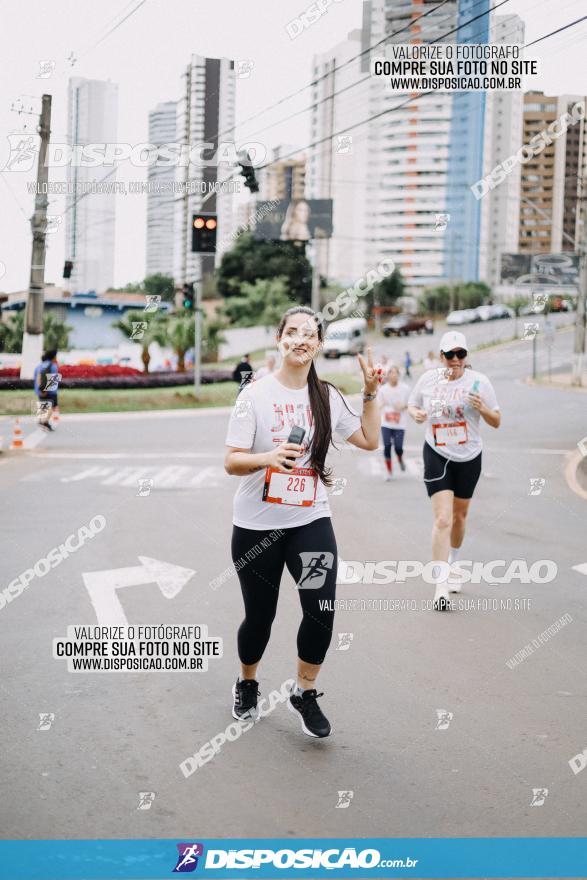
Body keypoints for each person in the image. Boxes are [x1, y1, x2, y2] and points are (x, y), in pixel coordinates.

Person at [224, 306, 382, 737]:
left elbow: (369, 440)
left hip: (310, 519)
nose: (299, 339)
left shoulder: (327, 397)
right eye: (291, 332)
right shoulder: (254, 396)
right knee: (260, 616)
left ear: (318, 344)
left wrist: (369, 393)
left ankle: (304, 691)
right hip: (257, 526)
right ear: (279, 339)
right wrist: (267, 458)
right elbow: (231, 461)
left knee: (321, 609)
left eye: (308, 334)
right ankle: (247, 681)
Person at [407, 331, 501, 611]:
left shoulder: (479, 382)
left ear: (466, 356)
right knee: (443, 519)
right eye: (450, 355)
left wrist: (482, 408)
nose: (455, 360)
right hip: (436, 452)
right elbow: (412, 405)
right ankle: (440, 584)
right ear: (441, 357)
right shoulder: (428, 380)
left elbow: (496, 420)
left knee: (460, 516)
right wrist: (416, 414)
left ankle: (454, 561)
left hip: (469, 455)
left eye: (461, 354)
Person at [377, 365, 410, 480]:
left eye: (396, 373)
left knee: (398, 448)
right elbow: (378, 405)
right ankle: (389, 471)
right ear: (388, 375)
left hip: (400, 423)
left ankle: (400, 458)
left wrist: (404, 406)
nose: (393, 375)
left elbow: (411, 404)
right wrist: (382, 404)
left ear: (399, 376)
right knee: (387, 446)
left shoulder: (405, 388)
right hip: (386, 422)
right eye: (391, 373)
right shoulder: (383, 389)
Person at [33, 349, 60, 431]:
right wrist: (47, 391)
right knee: (52, 408)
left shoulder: (39, 366)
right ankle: (43, 421)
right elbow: (53, 382)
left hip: (40, 390)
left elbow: (36, 378)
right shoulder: (53, 366)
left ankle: (44, 421)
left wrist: (40, 390)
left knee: (45, 406)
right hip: (50, 391)